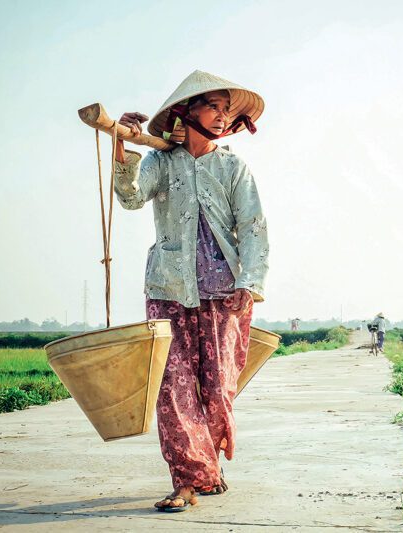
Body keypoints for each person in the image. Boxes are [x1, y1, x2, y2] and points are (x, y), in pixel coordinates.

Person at [112, 70, 269, 512]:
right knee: (173, 389)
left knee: (217, 388)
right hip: (168, 289)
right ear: (187, 111)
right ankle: (186, 481)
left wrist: (249, 283)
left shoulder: (232, 167)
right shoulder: (161, 162)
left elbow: (252, 227)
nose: (221, 116)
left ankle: (208, 467)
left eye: (226, 109)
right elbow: (129, 197)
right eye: (213, 106)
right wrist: (122, 144)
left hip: (222, 292)